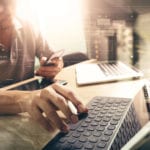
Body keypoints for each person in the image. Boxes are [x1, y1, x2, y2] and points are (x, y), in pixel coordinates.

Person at [0, 0, 88, 133]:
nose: (1, 9)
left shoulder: (28, 26)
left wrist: (55, 65)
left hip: (36, 109)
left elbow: (53, 57)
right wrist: (26, 98)